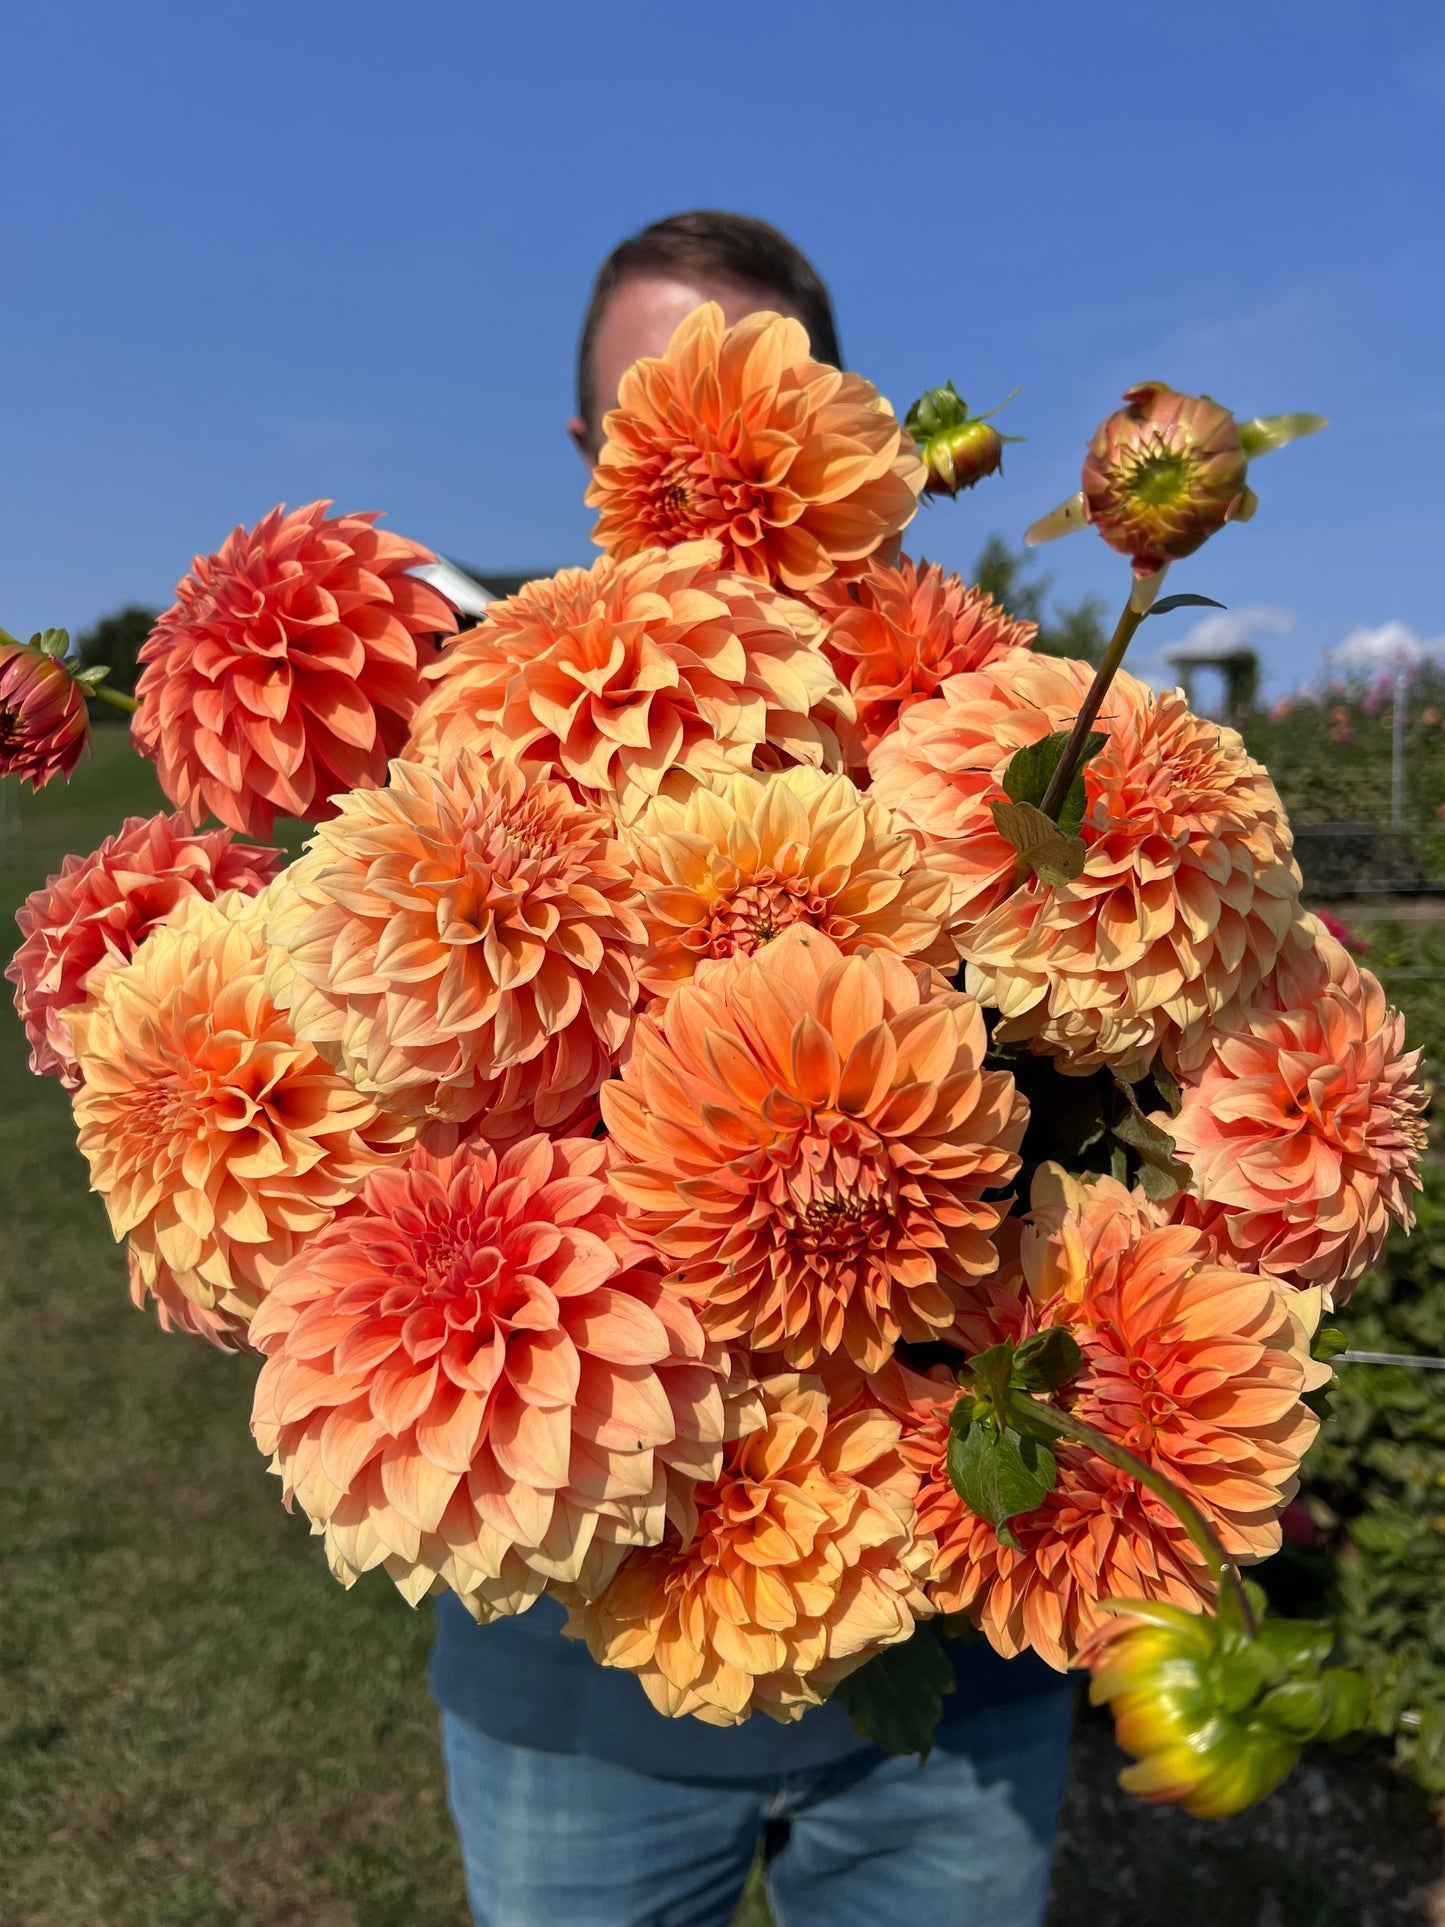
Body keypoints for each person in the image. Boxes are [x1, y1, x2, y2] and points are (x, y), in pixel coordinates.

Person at [431, 210, 1075, 1927]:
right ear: (592, 450)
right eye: (659, 412)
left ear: (847, 422)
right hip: (583, 1704)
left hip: (959, 1652)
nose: (714, 465)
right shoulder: (484, 740)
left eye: (766, 401)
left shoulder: (998, 716)